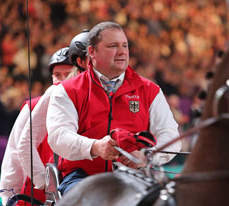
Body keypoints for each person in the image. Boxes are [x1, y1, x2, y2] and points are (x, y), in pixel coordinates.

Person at [46, 21, 182, 195]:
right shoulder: (66, 91)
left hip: (137, 176)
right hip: (81, 178)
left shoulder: (150, 90)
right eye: (113, 46)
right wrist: (95, 146)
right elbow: (58, 136)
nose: (122, 52)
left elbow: (171, 136)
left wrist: (147, 156)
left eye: (125, 45)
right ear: (92, 52)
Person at [0, 47, 74, 206]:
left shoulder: (90, 107)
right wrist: (6, 204)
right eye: (57, 75)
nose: (60, 80)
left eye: (67, 74)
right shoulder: (32, 107)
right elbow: (14, 156)